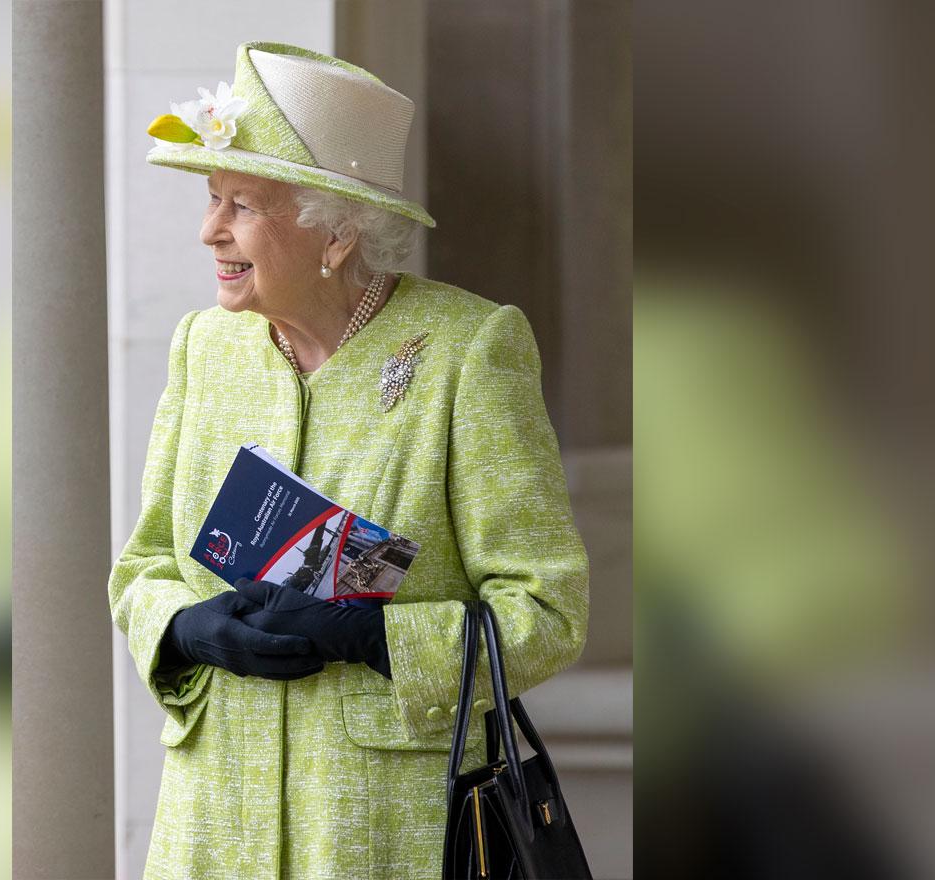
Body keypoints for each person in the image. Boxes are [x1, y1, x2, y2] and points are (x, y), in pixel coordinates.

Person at [108, 41, 589, 879]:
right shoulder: (205, 347)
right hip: (216, 826)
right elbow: (145, 565)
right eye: (212, 198)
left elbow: (549, 611)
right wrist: (186, 628)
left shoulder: (468, 351)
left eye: (241, 206)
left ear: (334, 229)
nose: (208, 230)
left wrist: (377, 635)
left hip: (385, 835)